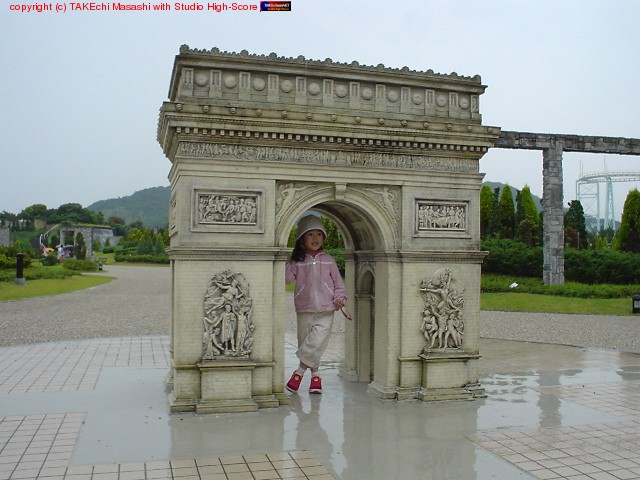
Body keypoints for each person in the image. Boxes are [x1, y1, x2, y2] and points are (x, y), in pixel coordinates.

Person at [285, 215, 346, 394]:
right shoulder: (297, 261)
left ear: (323, 238)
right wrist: (285, 261)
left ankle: (299, 372)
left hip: (327, 309)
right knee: (306, 343)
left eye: (319, 234)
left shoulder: (329, 260)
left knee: (316, 341)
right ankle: (315, 376)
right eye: (310, 234)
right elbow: (287, 279)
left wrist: (339, 297)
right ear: (301, 239)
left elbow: (339, 284)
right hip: (304, 308)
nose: (315, 238)